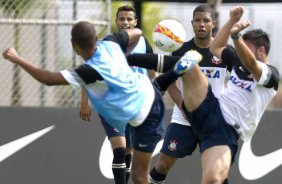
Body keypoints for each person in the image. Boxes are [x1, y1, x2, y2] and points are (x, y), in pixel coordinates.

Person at [127, 6, 279, 184]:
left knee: (214, 179)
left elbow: (251, 63)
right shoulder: (237, 61)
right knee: (189, 62)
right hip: (207, 109)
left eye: (247, 48)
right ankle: (128, 58)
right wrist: (231, 20)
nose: (240, 53)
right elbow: (216, 47)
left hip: (224, 130)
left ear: (261, 51)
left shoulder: (270, 76)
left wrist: (236, 37)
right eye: (198, 21)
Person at [2, 21, 165, 184]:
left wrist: (17, 59)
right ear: (95, 38)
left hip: (147, 112)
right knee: (134, 170)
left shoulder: (89, 71)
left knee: (139, 177)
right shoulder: (111, 42)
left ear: (73, 44)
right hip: (145, 99)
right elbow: (137, 32)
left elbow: (48, 79)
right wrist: (123, 55)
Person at [149, 4, 237, 183]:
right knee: (163, 164)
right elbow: (171, 82)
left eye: (206, 21)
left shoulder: (224, 51)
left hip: (214, 120)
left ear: (213, 23)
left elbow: (239, 79)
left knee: (217, 173)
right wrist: (182, 106)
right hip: (184, 117)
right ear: (192, 23)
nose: (201, 24)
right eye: (197, 20)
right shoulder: (181, 50)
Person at [79, 5, 157, 184]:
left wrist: (156, 93)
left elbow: (153, 71)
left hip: (135, 105)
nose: (126, 22)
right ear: (116, 22)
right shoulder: (106, 45)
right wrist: (85, 102)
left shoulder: (144, 44)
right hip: (111, 105)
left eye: (129, 19)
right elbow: (87, 72)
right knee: (120, 149)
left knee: (129, 150)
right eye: (122, 19)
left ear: (135, 22)